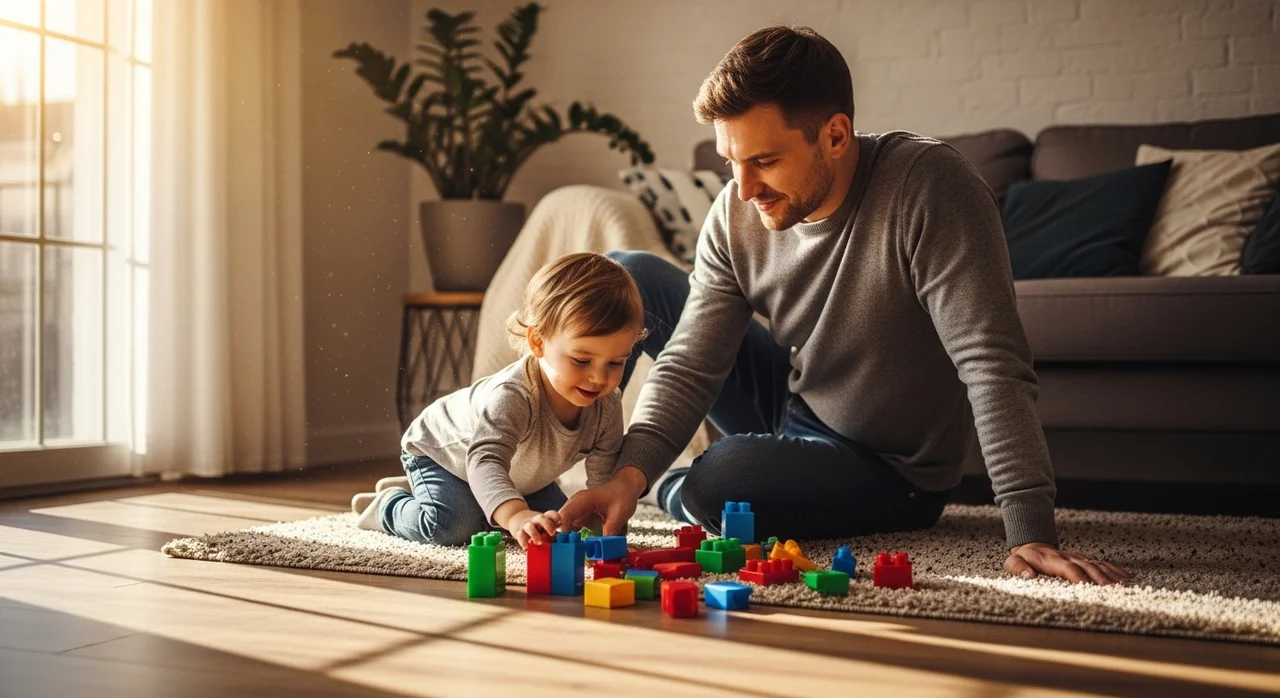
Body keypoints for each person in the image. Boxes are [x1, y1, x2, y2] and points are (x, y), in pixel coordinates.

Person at [556, 26, 1130, 585]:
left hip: (887, 468)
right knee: (631, 274)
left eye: (764, 160)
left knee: (721, 479)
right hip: (797, 402)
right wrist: (625, 476)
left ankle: (676, 489)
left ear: (835, 135)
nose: (744, 187)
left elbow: (991, 363)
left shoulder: (929, 187)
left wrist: (1031, 532)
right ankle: (601, 486)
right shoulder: (738, 210)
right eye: (731, 162)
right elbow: (689, 364)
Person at [352, 252, 645, 549]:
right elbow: (484, 460)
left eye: (615, 363)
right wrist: (516, 515)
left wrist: (609, 535)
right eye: (582, 360)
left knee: (557, 524)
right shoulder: (514, 395)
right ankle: (388, 505)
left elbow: (603, 485)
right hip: (444, 456)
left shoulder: (606, 405)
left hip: (520, 474)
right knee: (454, 526)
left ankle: (446, 496)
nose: (598, 378)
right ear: (538, 342)